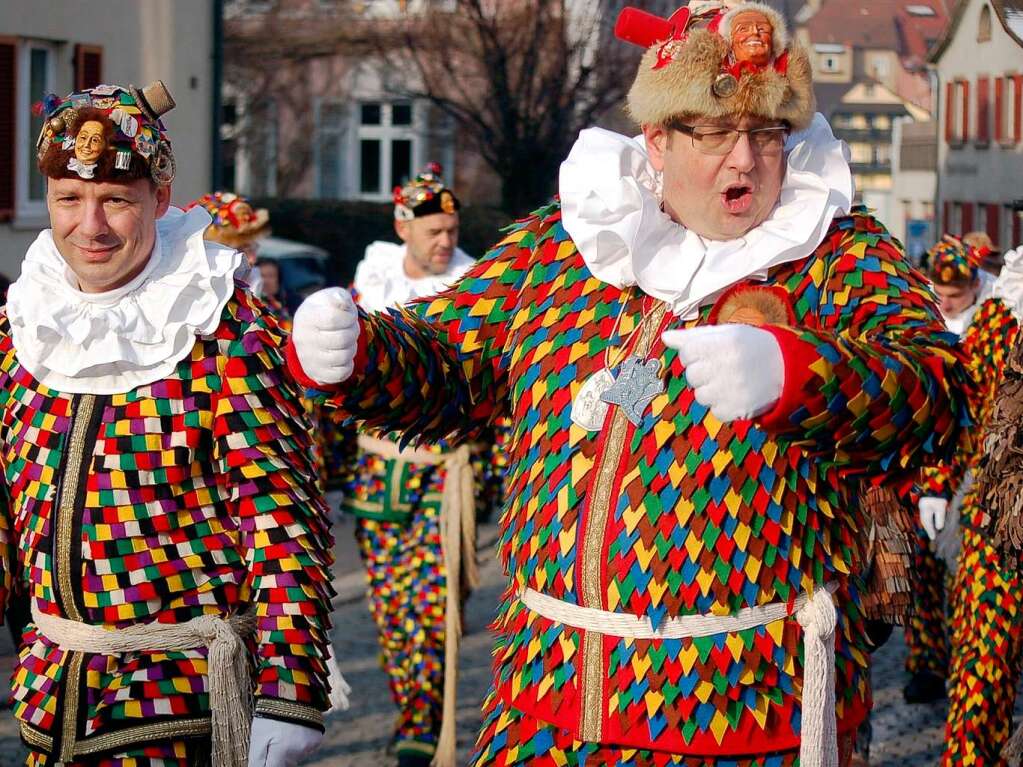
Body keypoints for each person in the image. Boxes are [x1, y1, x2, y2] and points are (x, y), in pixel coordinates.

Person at [289, 3, 969, 765]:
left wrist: (800, 375)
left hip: (743, 720)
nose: (743, 160)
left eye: (766, 133)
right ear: (657, 139)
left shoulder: (838, 256)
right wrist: (360, 354)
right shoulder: (566, 245)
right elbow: (452, 359)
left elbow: (937, 393)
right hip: (544, 708)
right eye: (713, 134)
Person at [6, 81, 337, 767]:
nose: (90, 225)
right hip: (50, 697)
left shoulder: (227, 330)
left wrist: (290, 690)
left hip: (177, 703)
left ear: (159, 199)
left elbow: (280, 518)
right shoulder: (20, 327)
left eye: (116, 201)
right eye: (70, 198)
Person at [337, 164, 501, 767]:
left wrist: (488, 478)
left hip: (447, 473)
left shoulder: (475, 291)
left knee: (434, 607)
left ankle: (421, 728)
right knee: (390, 609)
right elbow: (341, 389)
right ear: (403, 227)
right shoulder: (370, 287)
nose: (446, 241)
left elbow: (499, 401)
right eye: (435, 230)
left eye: (453, 229)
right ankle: (411, 706)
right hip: (379, 477)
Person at [915, 238, 1022, 765]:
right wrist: (936, 483)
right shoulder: (1000, 322)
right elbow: (960, 410)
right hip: (994, 513)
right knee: (983, 660)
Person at [187, 191, 271, 297]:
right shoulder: (193, 294)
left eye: (253, 248)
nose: (252, 259)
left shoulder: (255, 281)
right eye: (241, 250)